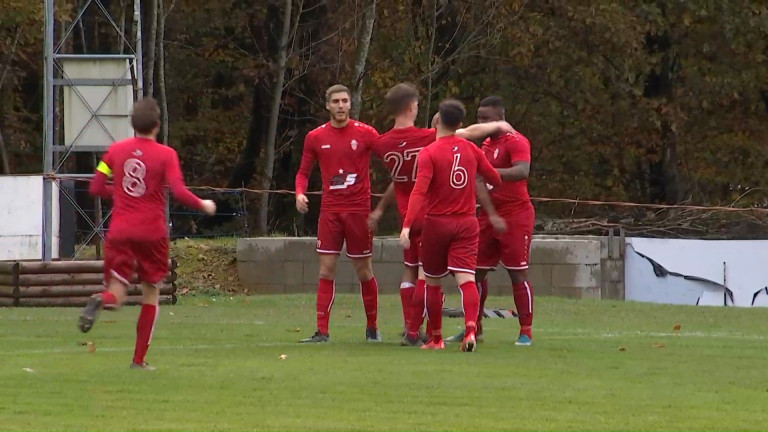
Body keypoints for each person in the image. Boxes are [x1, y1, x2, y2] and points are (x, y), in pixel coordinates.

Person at [79, 97, 217, 370]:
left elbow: (94, 187)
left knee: (116, 294)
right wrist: (202, 204)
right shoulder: (166, 155)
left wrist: (117, 195)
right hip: (151, 233)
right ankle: (138, 360)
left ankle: (100, 298)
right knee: (151, 294)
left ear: (132, 124)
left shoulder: (114, 152)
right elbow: (177, 191)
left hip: (120, 230)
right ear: (157, 125)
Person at [369, 83, 513, 344]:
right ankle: (466, 328)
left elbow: (408, 186)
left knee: (417, 273)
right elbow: (474, 143)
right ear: (412, 107)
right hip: (452, 217)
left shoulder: (384, 143)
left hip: (418, 215)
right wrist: (499, 126)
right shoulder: (439, 141)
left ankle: (419, 332)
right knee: (456, 277)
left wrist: (386, 214)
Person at [399, 99, 502, 352]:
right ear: (460, 123)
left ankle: (436, 338)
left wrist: (407, 225)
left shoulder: (430, 152)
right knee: (466, 279)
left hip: (437, 223)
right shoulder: (472, 150)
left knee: (433, 281)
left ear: (438, 122)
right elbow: (495, 178)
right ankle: (470, 331)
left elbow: (419, 192)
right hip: (467, 222)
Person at [295, 84, 381, 343]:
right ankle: (322, 331)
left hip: (358, 211)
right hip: (330, 211)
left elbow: (389, 155)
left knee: (363, 270)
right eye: (336, 101)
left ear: (350, 104)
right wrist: (299, 192)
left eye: (345, 101)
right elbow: (303, 172)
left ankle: (372, 328)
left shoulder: (366, 133)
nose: (341, 105)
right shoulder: (315, 137)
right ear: (328, 105)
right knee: (326, 269)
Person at [446, 96, 535, 346]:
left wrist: (491, 173)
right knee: (473, 273)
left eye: (486, 119)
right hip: (488, 216)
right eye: (479, 118)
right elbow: (477, 181)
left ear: (500, 119)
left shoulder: (516, 141)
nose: (482, 123)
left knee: (517, 272)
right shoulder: (484, 144)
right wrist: (490, 214)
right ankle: (474, 327)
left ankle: (525, 331)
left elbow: (521, 171)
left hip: (516, 214)